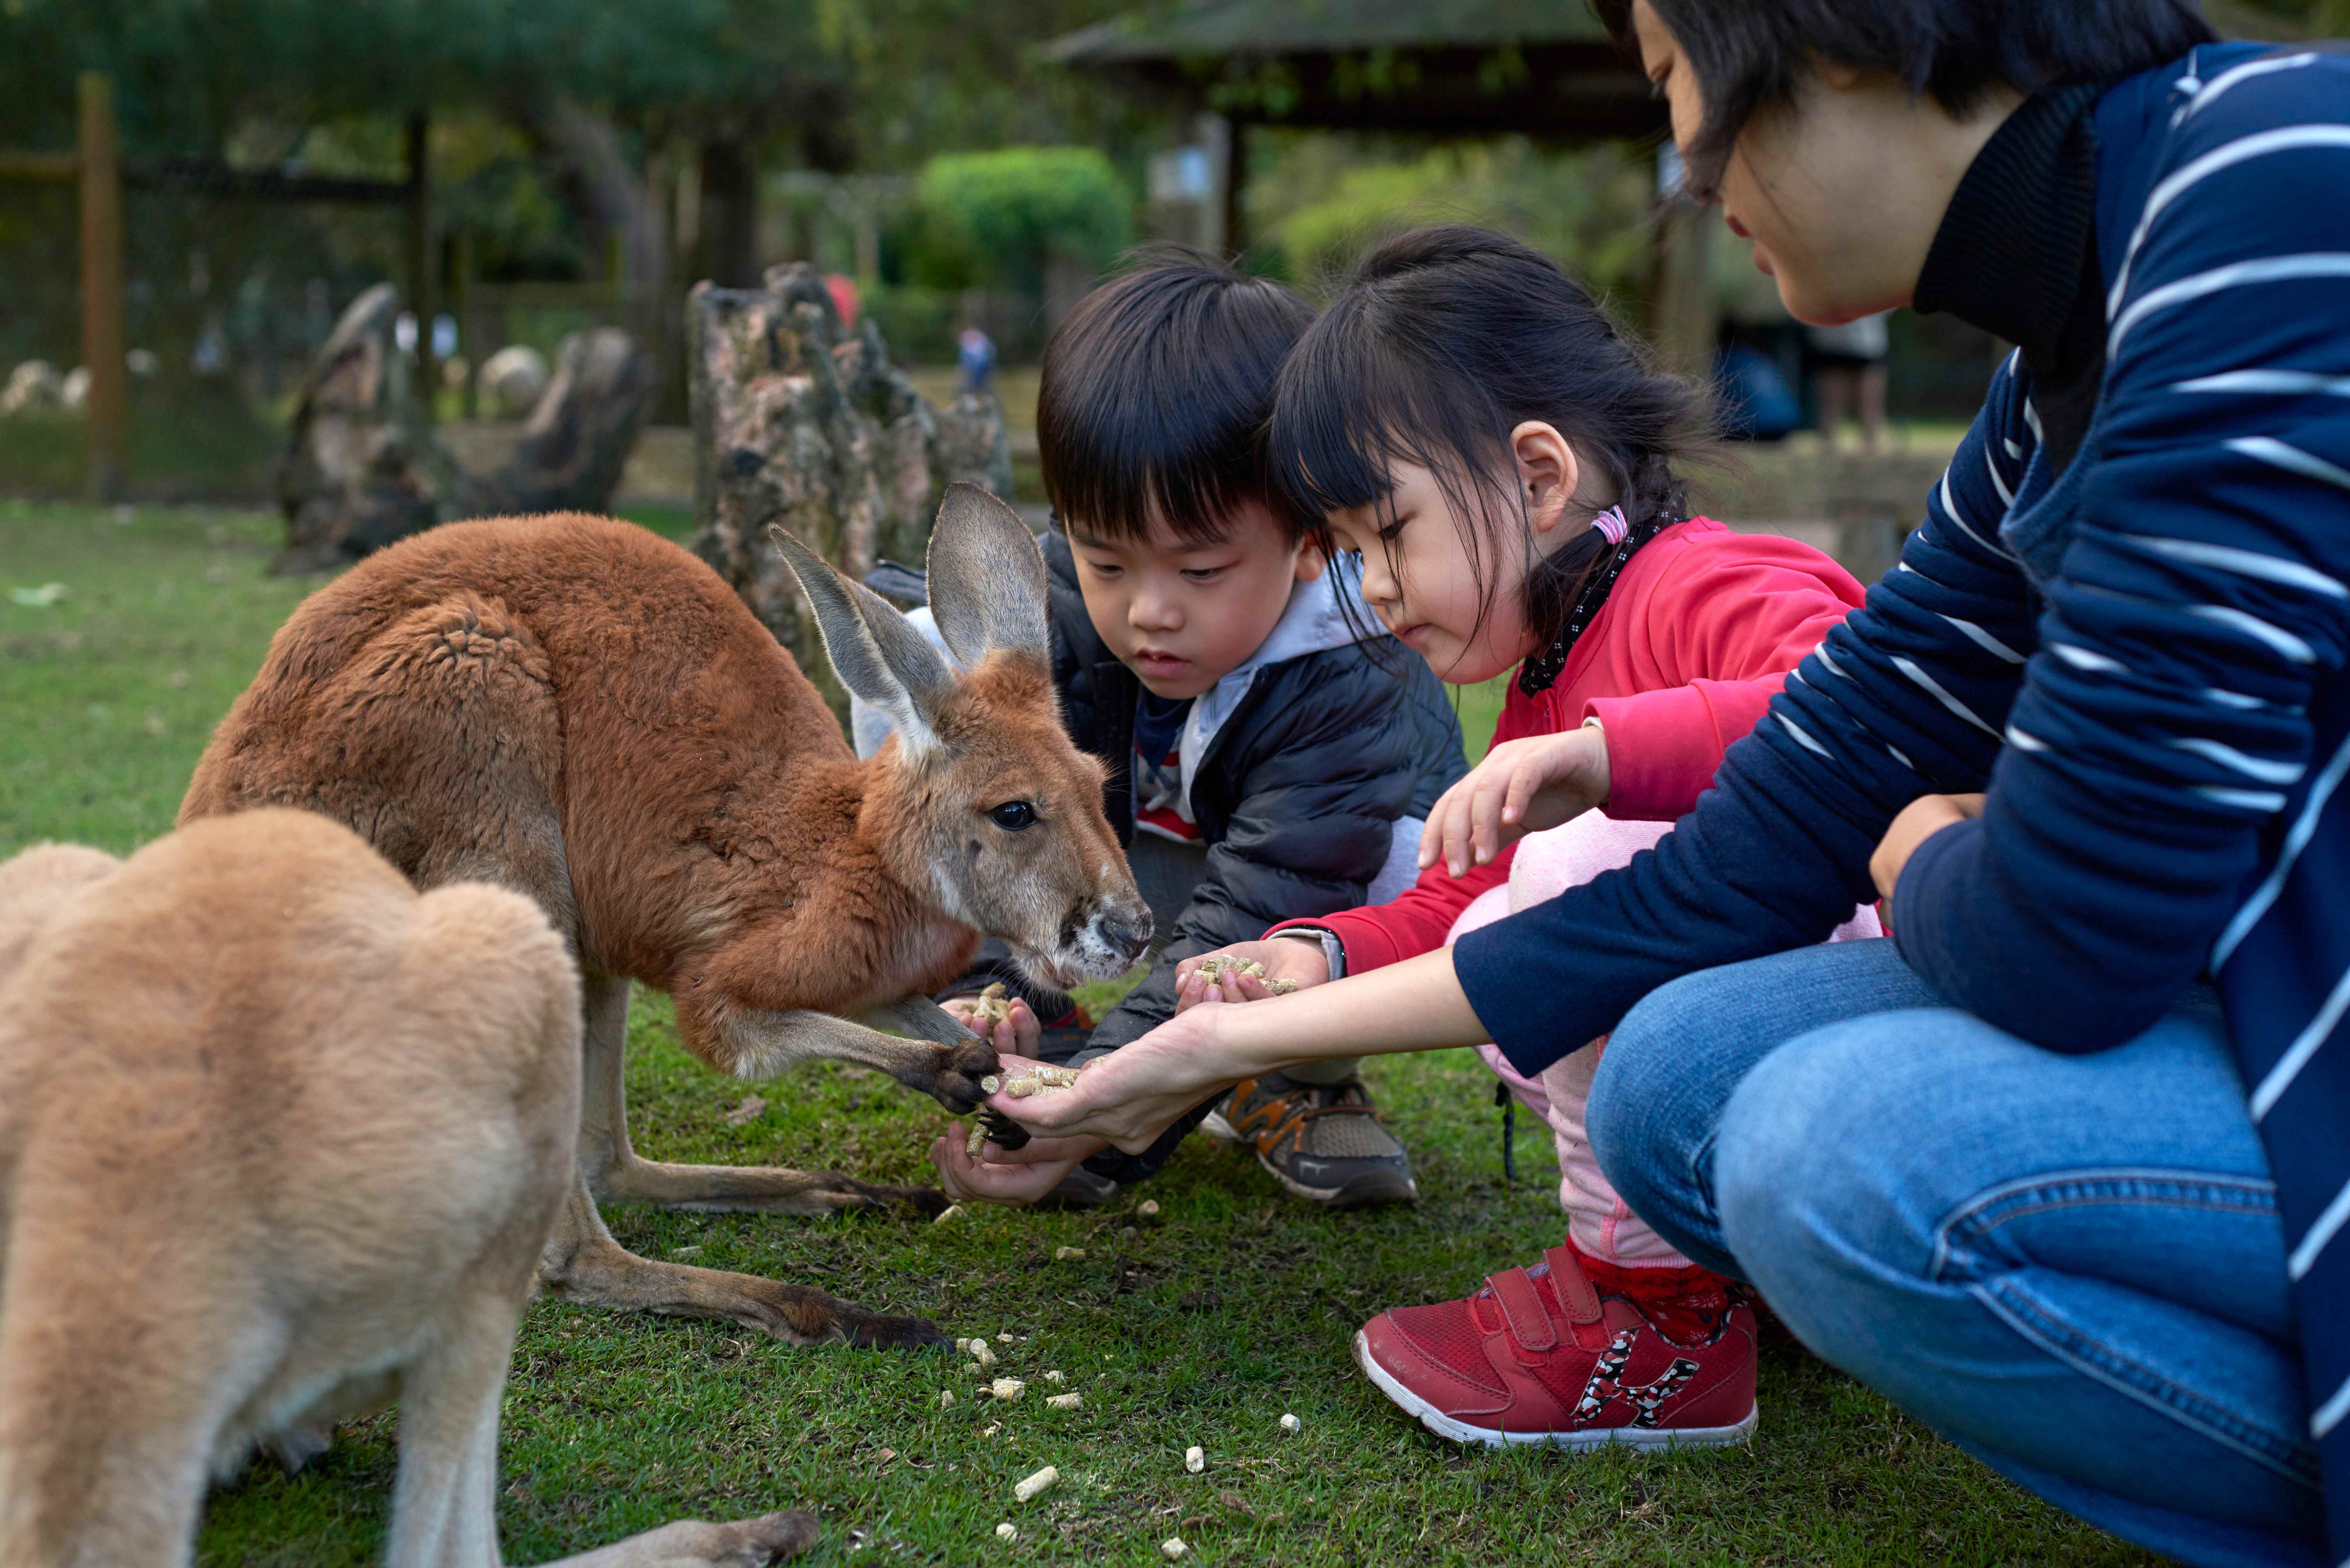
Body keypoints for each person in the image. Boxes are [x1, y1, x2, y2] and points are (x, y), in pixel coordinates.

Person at [989, 6, 2350, 1564]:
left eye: (1669, 78)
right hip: (2244, 988)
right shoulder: (2051, 371)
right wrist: (1210, 1039)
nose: (1687, 165)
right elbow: (1743, 857)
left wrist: (1913, 847)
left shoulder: (2267, 199)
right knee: (1673, 1083)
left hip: (2279, 1015)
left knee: (1821, 1157)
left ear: (1829, 40)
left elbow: (2061, 940)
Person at [975, 223, 1871, 1446]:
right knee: (1531, 894)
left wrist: (1615, 751)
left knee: (1567, 869)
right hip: (1793, 1072)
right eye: (1348, 549)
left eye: (1388, 535)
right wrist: (1321, 952)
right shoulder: (1549, 669)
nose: (1375, 588)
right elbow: (1477, 908)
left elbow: (1870, 707)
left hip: (1882, 1044)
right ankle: (1739, 1267)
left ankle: (1651, 1316)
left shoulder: (1694, 586)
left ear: (1542, 477)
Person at [884, 251, 1468, 1211]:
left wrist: (1111, 1114)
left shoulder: (1348, 666)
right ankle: (1046, 1021)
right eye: (1107, 560)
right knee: (945, 726)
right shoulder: (1047, 617)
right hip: (1144, 852)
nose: (1149, 610)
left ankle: (1289, 1070)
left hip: (1307, 881)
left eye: (1200, 572)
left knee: (1401, 867)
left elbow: (1270, 899)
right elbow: (989, 825)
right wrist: (998, 991)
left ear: (1310, 540)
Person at [1803, 311, 1890, 452]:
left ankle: (1870, 440)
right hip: (1835, 336)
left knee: (1867, 403)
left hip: (1866, 336)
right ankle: (1831, 440)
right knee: (1832, 407)